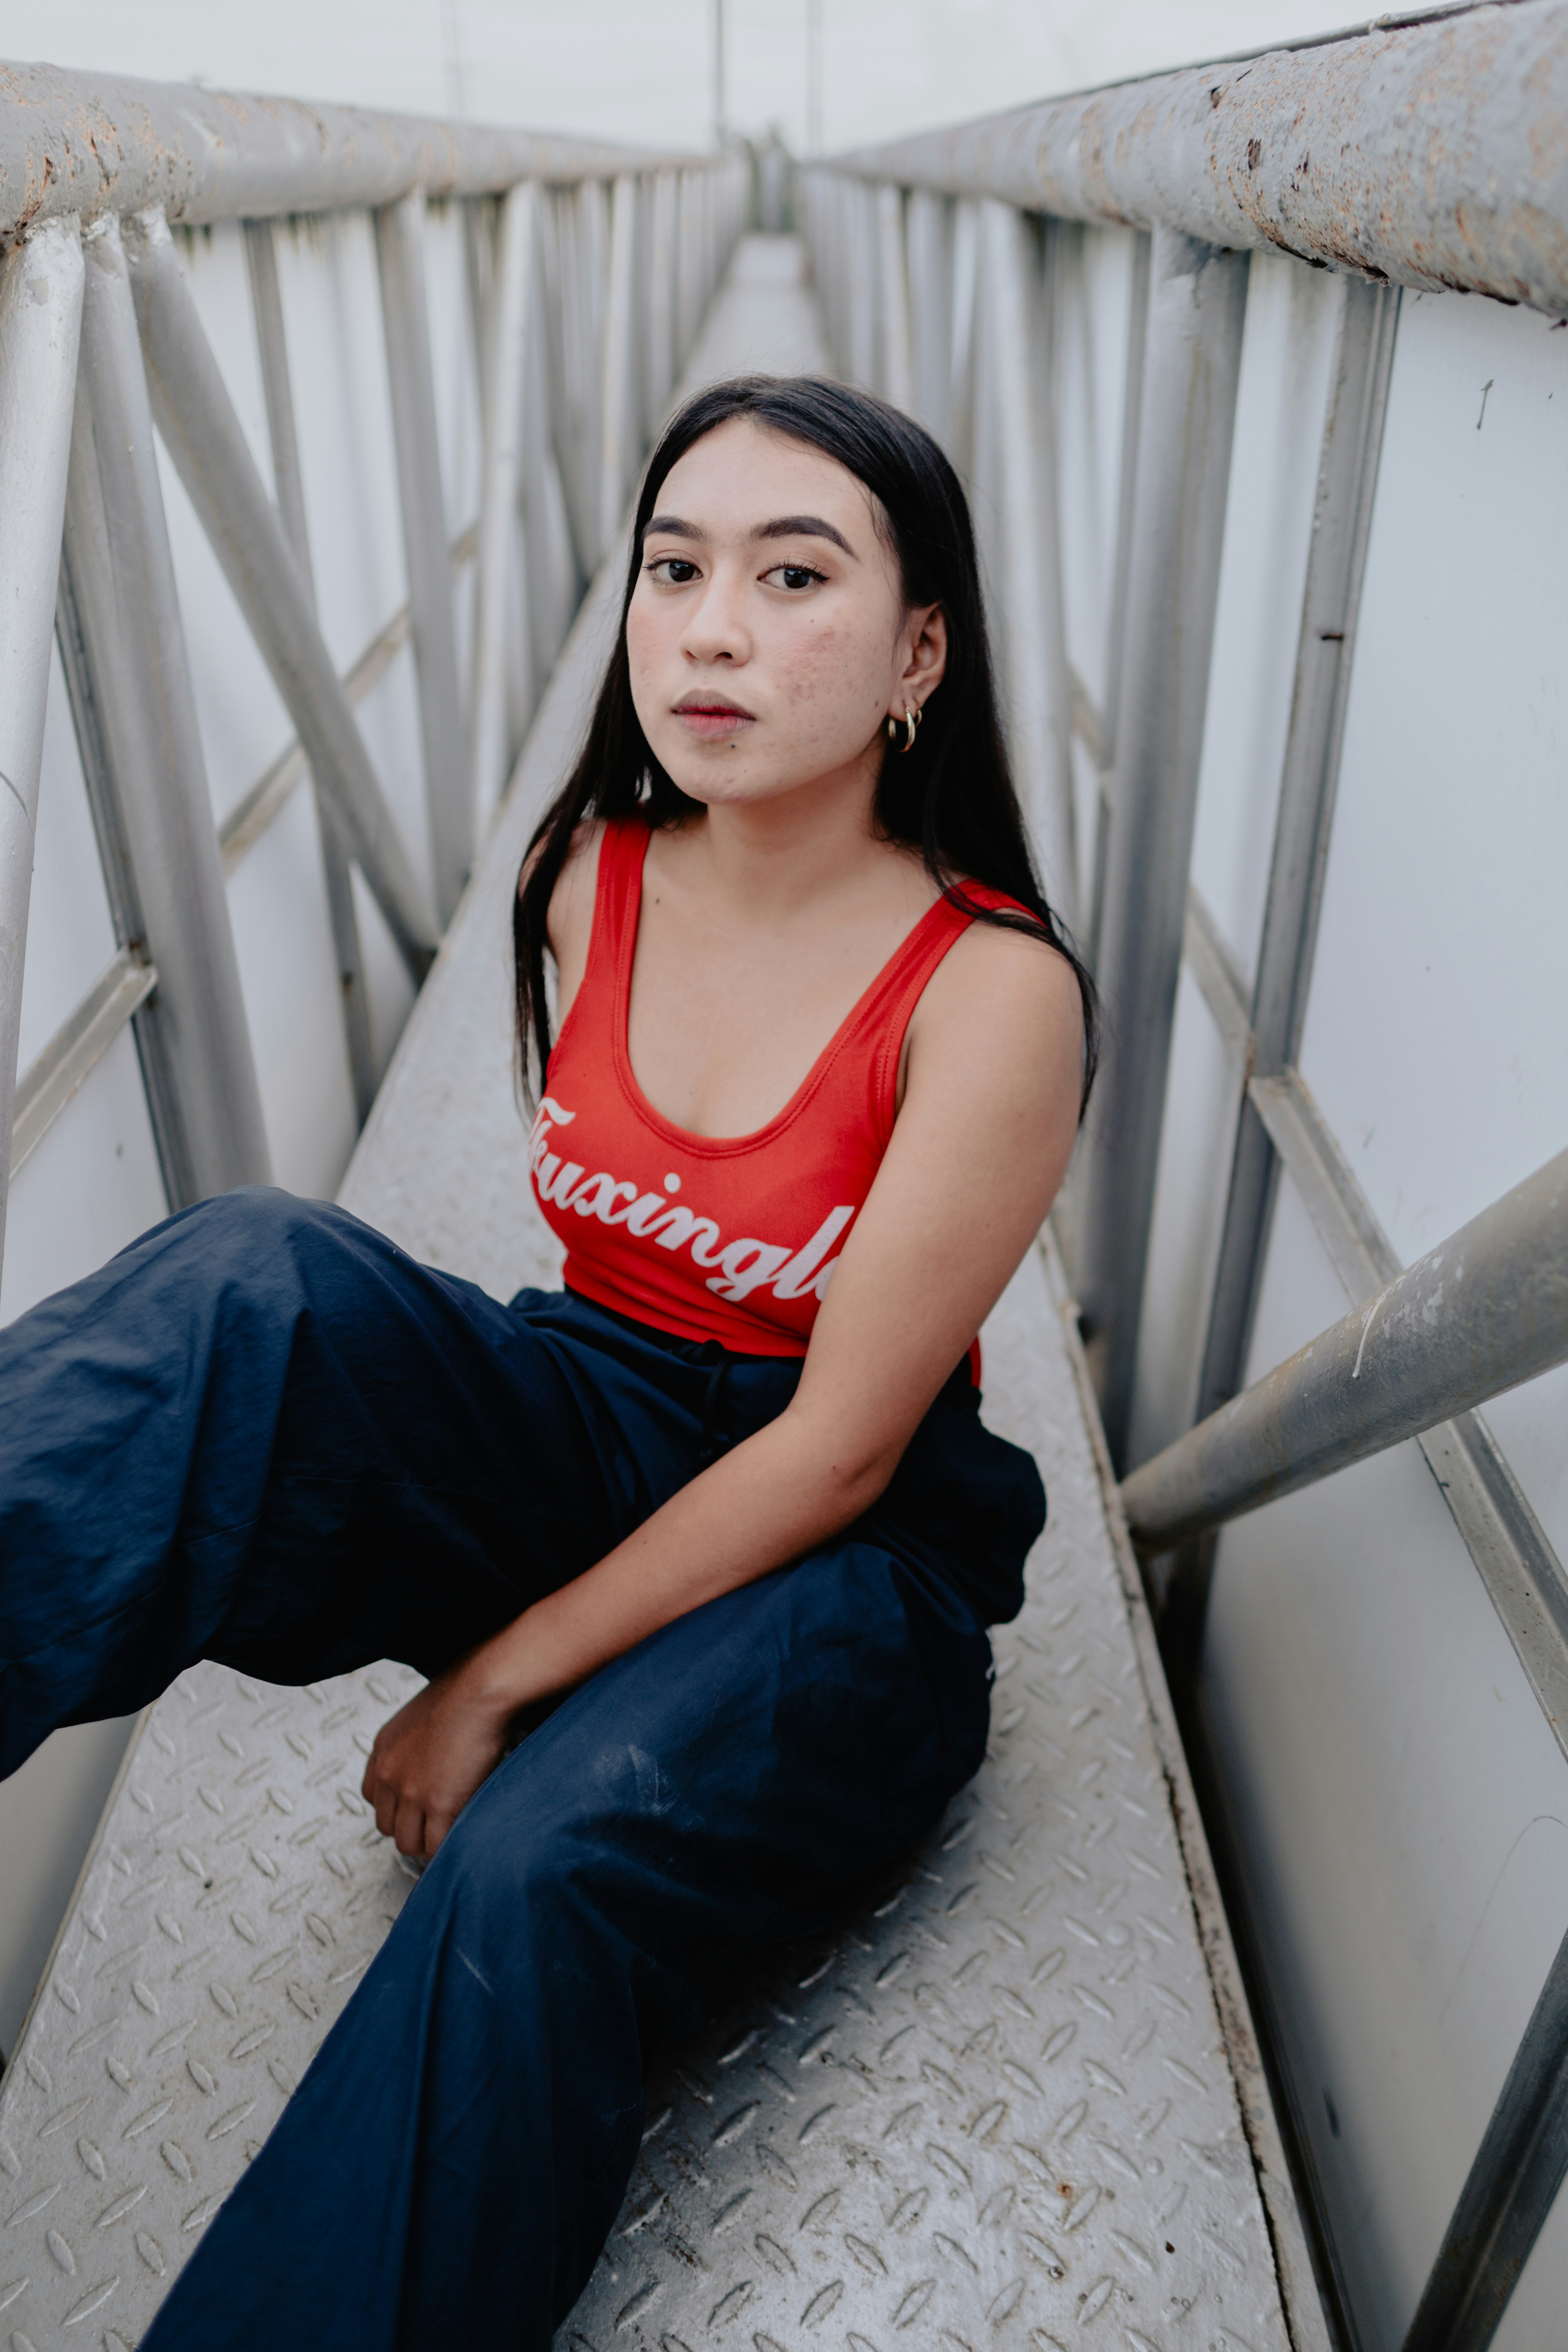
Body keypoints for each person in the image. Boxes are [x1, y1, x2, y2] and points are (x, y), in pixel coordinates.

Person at [0, 375, 1095, 2347]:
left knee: (529, 1869)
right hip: (595, 1410)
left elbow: (842, 1455)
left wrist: (495, 1679)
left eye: (794, 573)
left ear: (924, 649)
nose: (712, 625)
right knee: (260, 1274)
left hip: (846, 1573)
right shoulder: (591, 866)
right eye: (674, 567)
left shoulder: (993, 990)